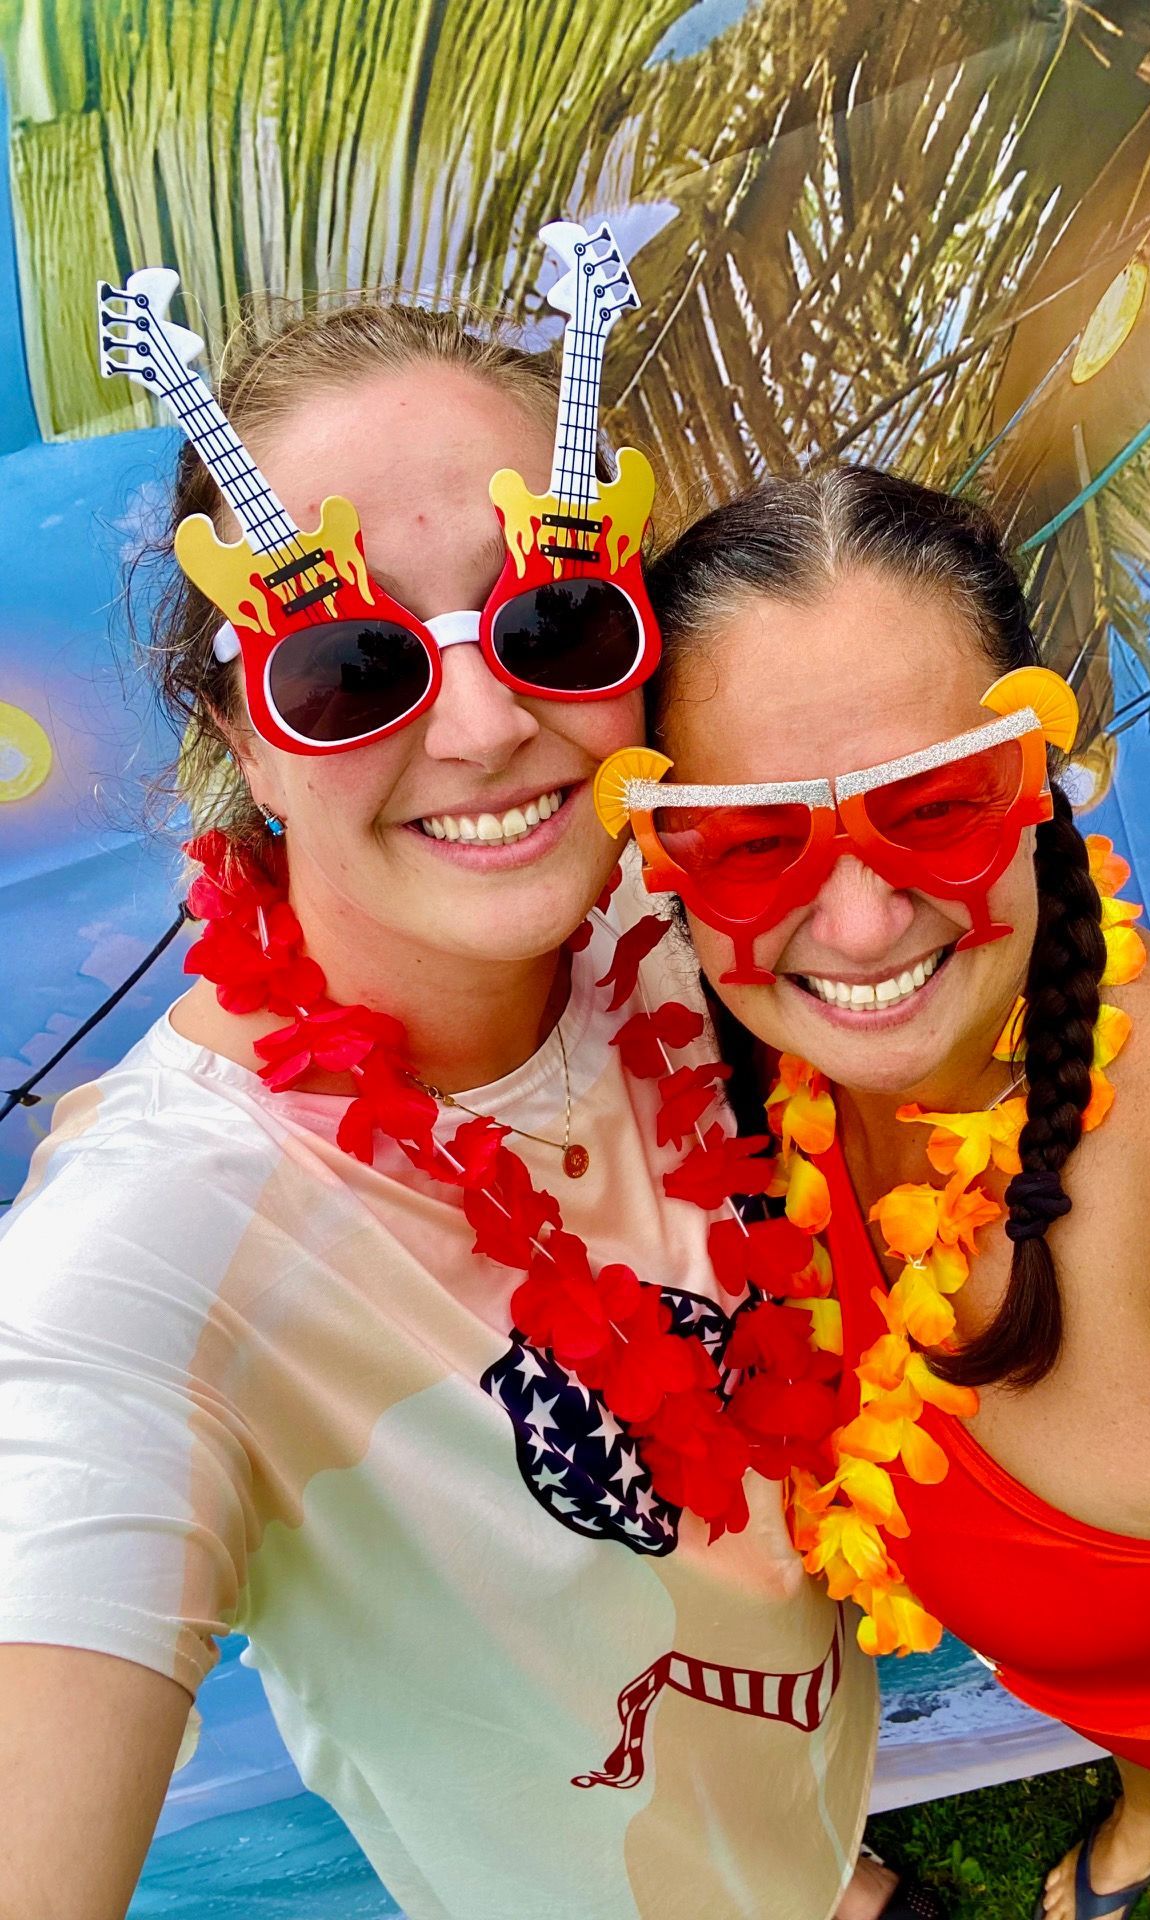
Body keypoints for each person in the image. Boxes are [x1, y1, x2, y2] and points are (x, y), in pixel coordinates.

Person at [0, 297, 903, 1920]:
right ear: (241, 748)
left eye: (554, 623)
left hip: (814, 1803)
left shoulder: (735, 930)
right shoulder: (161, 1238)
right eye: (350, 672)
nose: (487, 732)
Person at [622, 463, 1150, 1920]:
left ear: (1039, 777)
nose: (861, 923)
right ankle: (1140, 1807)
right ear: (662, 859)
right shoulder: (788, 1069)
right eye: (755, 839)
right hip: (1130, 1663)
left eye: (935, 806)